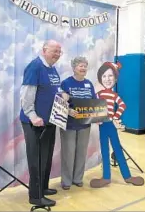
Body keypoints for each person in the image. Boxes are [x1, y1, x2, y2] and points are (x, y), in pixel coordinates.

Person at [20, 40, 67, 207]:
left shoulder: (52, 69)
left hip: (49, 121)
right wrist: (32, 116)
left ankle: (43, 188)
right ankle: (35, 196)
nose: (57, 54)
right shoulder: (35, 66)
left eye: (59, 51)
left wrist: (62, 95)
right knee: (37, 159)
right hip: (35, 123)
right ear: (44, 50)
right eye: (54, 50)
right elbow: (26, 94)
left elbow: (53, 90)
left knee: (46, 157)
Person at [90, 61, 145, 188]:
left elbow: (122, 105)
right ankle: (106, 177)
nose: (107, 79)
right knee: (104, 150)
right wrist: (96, 118)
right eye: (104, 76)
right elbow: (94, 108)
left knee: (117, 150)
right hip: (102, 125)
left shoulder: (114, 95)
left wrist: (115, 117)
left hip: (110, 125)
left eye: (110, 76)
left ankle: (127, 176)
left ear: (115, 78)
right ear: (100, 79)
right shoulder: (98, 94)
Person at [60, 56, 96, 190]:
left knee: (81, 152)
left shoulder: (89, 84)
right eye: (81, 66)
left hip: (85, 124)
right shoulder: (66, 83)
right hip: (69, 124)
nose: (83, 68)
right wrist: (68, 110)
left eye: (85, 66)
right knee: (68, 153)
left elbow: (94, 102)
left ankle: (78, 178)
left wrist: (99, 116)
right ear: (74, 68)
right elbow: (59, 102)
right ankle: (66, 181)